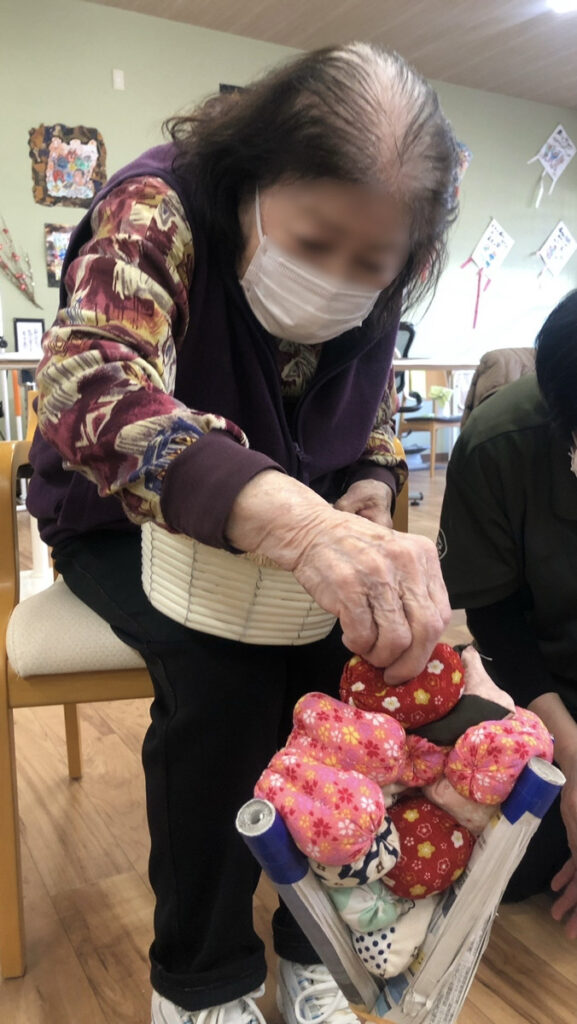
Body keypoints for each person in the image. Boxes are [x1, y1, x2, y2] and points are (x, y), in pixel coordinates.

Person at [28, 44, 457, 1024]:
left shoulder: (387, 255)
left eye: (369, 265)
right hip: (120, 519)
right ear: (252, 182)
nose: (340, 279)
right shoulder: (158, 210)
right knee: (224, 679)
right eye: (312, 243)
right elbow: (86, 379)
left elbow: (373, 411)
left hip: (289, 524)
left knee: (354, 675)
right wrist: (286, 517)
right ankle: (202, 979)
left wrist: (368, 488)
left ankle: (317, 945)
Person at [439, 291, 577, 943]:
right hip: (546, 676)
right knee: (514, 862)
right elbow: (495, 616)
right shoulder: (498, 443)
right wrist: (570, 751)